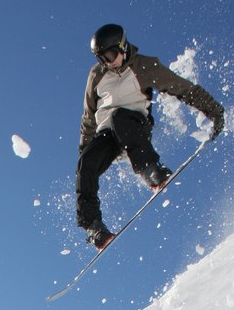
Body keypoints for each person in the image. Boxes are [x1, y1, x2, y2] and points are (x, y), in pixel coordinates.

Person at [76, 23, 225, 250]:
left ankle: (150, 169)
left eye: (111, 55)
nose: (108, 63)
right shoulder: (97, 75)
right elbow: (89, 116)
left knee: (119, 117)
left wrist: (213, 111)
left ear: (122, 46)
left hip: (134, 126)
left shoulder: (144, 66)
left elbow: (183, 88)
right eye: (102, 58)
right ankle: (93, 226)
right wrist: (86, 150)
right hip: (107, 134)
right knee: (85, 163)